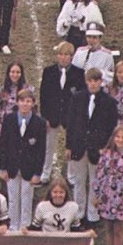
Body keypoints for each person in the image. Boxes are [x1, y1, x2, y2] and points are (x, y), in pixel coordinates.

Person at [67, 68, 119, 227]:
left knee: (95, 182)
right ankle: (78, 212)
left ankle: (93, 214)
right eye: (90, 81)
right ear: (86, 81)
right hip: (79, 146)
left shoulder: (109, 102)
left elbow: (111, 128)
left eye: (96, 81)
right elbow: (71, 124)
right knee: (79, 181)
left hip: (98, 148)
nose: (93, 84)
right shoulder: (77, 98)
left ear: (101, 82)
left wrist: (106, 147)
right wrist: (68, 146)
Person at [0, 89, 46, 230]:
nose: (25, 104)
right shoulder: (9, 119)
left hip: (29, 168)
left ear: (33, 103)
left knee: (27, 198)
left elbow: (41, 150)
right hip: (11, 167)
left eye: (28, 101)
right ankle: (13, 226)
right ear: (17, 102)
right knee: (13, 199)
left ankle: (25, 227)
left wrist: (38, 173)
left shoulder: (39, 123)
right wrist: (2, 168)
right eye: (22, 101)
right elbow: (4, 145)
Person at [39, 42, 76, 183]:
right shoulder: (49, 71)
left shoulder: (78, 73)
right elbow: (44, 95)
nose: (63, 58)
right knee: (49, 146)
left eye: (66, 55)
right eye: (60, 54)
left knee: (71, 146)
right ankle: (45, 172)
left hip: (69, 116)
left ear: (71, 57)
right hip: (52, 115)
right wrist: (45, 117)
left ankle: (71, 175)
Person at [69, 5, 117, 90]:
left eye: (94, 37)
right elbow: (73, 72)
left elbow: (111, 77)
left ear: (100, 38)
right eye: (89, 37)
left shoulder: (107, 55)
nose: (91, 40)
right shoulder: (80, 52)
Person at [0, 60, 35, 140]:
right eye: (12, 72)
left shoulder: (28, 89)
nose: (15, 75)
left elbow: (33, 109)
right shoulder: (0, 89)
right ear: (8, 73)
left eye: (18, 72)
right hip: (5, 127)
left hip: (23, 126)